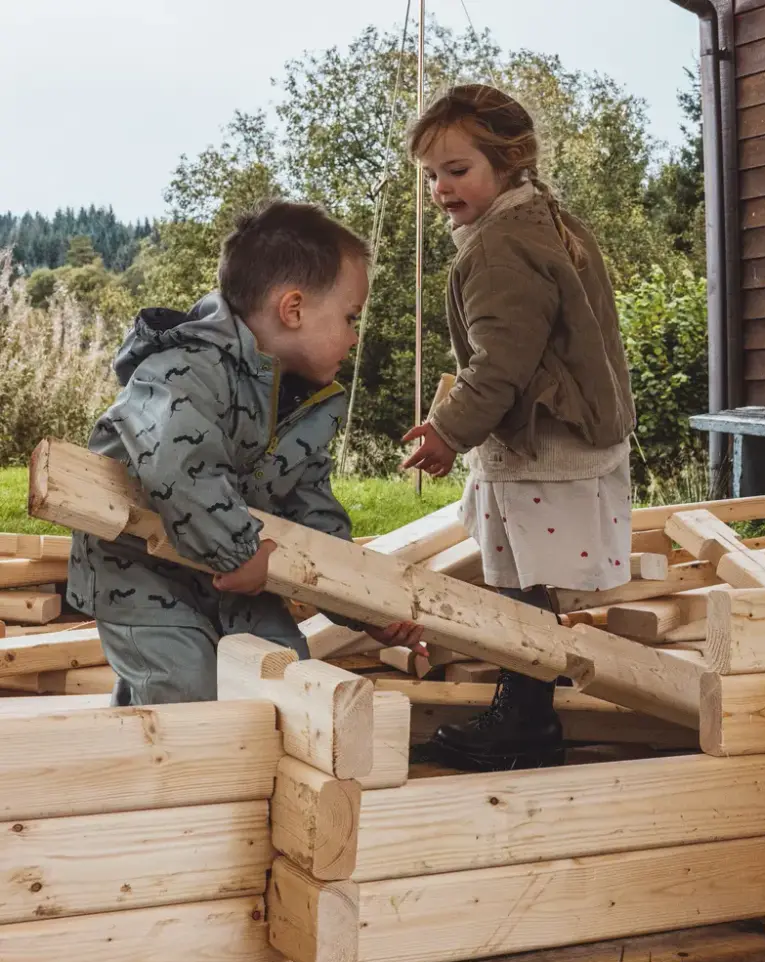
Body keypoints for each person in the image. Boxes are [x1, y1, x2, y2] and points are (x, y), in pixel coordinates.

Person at [67, 200, 423, 706]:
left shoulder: (310, 405)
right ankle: (161, 772)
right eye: (350, 317)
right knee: (183, 686)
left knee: (285, 675)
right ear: (293, 309)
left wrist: (368, 610)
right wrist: (239, 551)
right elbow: (179, 463)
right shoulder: (184, 370)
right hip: (143, 571)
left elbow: (315, 516)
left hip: (238, 572)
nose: (354, 335)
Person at [402, 84, 636, 771]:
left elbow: (499, 363)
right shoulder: (542, 222)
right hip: (567, 432)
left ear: (510, 162)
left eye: (457, 170)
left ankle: (525, 719)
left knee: (522, 583)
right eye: (432, 175)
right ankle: (532, 694)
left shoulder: (503, 247)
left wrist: (448, 429)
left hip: (543, 443)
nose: (442, 189)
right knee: (529, 580)